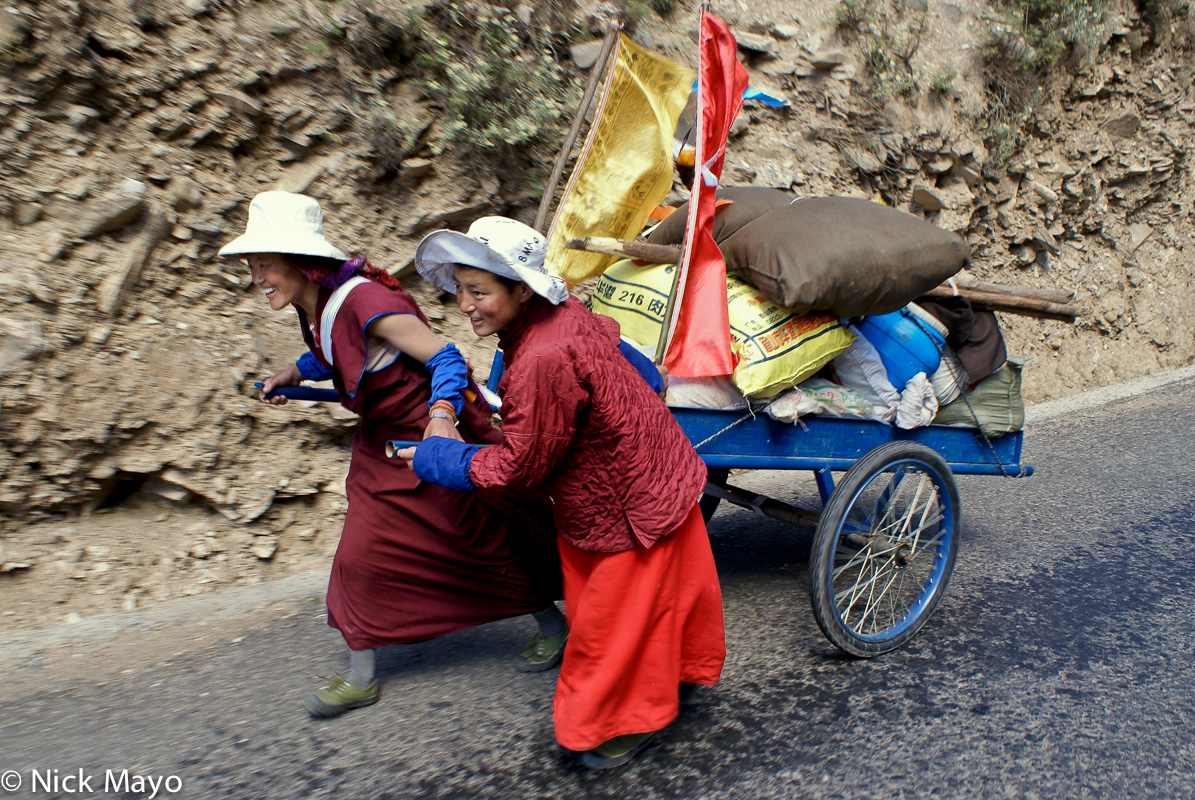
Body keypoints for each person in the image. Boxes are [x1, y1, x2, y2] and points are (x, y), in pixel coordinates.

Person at [217, 192, 567, 718]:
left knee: (482, 540)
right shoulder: (313, 307)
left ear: (301, 263)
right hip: (383, 445)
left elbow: (445, 356)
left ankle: (553, 624)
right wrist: (295, 374)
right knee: (360, 555)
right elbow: (339, 350)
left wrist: (442, 420)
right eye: (253, 267)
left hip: (432, 442)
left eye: (265, 265)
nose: (258, 278)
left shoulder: (361, 300)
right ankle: (361, 676)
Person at [397, 216, 726, 769]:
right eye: (459, 289)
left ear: (521, 290)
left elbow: (519, 466)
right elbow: (631, 372)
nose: (465, 303)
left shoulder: (543, 356)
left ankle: (618, 721)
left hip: (623, 502)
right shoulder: (564, 313)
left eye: (479, 291)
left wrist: (437, 456)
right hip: (645, 470)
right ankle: (677, 676)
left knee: (609, 630)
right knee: (667, 599)